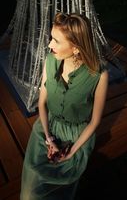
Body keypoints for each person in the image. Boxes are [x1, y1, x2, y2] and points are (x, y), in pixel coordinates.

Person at [20, 13, 109, 200]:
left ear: (76, 48)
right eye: (52, 38)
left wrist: (71, 153)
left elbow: (94, 122)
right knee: (30, 189)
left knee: (60, 184)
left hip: (77, 135)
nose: (50, 45)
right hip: (46, 128)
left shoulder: (99, 75)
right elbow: (42, 104)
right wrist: (49, 139)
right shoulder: (50, 61)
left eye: (56, 41)